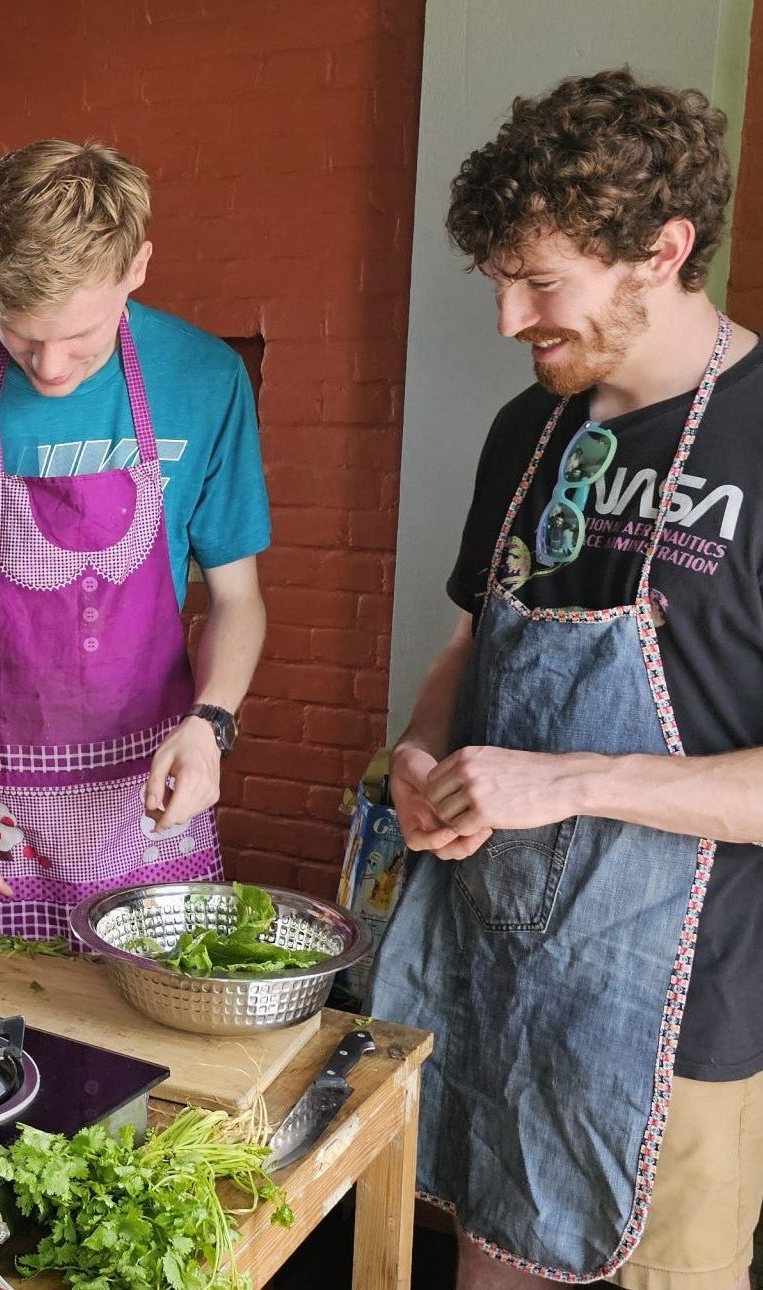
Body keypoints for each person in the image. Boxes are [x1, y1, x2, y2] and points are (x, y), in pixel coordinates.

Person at [370, 69, 763, 1290]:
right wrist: (420, 751)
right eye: (500, 280)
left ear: (665, 249)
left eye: (542, 283)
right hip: (498, 991)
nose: (508, 319)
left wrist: (571, 780)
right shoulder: (528, 434)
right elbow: (469, 645)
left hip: (681, 1029)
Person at [0, 141, 270, 944]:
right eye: (17, 329)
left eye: (80, 338)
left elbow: (239, 598)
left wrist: (210, 725)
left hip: (143, 796)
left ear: (137, 268)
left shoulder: (205, 381)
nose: (48, 366)